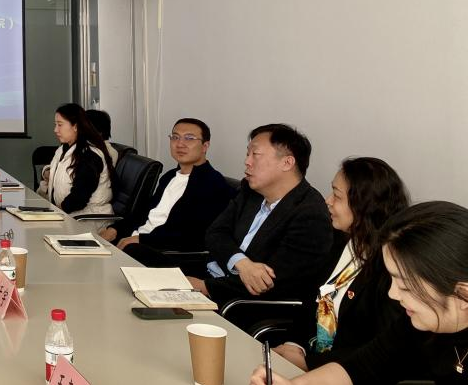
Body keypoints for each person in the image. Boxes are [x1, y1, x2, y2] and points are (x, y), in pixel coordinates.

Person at [251, 201, 468, 385]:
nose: (392, 294)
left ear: (462, 293)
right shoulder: (415, 323)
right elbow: (359, 367)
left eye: (405, 286)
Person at [272, 157, 411, 371]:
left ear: (364, 205)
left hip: (345, 373)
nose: (328, 201)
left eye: (337, 196)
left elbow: (381, 349)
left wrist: (310, 363)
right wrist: (294, 345)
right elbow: (309, 301)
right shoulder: (338, 242)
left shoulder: (390, 269)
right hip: (305, 360)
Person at [187, 124, 333, 305]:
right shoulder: (251, 191)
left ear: (287, 163)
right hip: (209, 272)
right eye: (247, 154)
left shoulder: (310, 214)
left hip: (238, 302)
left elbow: (269, 283)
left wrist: (205, 287)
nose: (247, 161)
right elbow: (215, 232)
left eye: (255, 154)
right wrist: (242, 263)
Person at [99, 118, 235, 264]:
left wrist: (141, 240)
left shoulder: (213, 184)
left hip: (164, 253)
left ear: (205, 146)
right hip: (136, 241)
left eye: (189, 138)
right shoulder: (170, 176)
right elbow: (144, 213)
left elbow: (192, 236)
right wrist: (115, 229)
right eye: (175, 137)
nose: (180, 144)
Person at [37, 103, 114, 216]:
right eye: (55, 124)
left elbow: (78, 199)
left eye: (60, 125)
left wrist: (54, 213)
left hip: (85, 218)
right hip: (67, 214)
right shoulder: (64, 149)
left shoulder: (89, 156)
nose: (55, 130)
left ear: (75, 126)